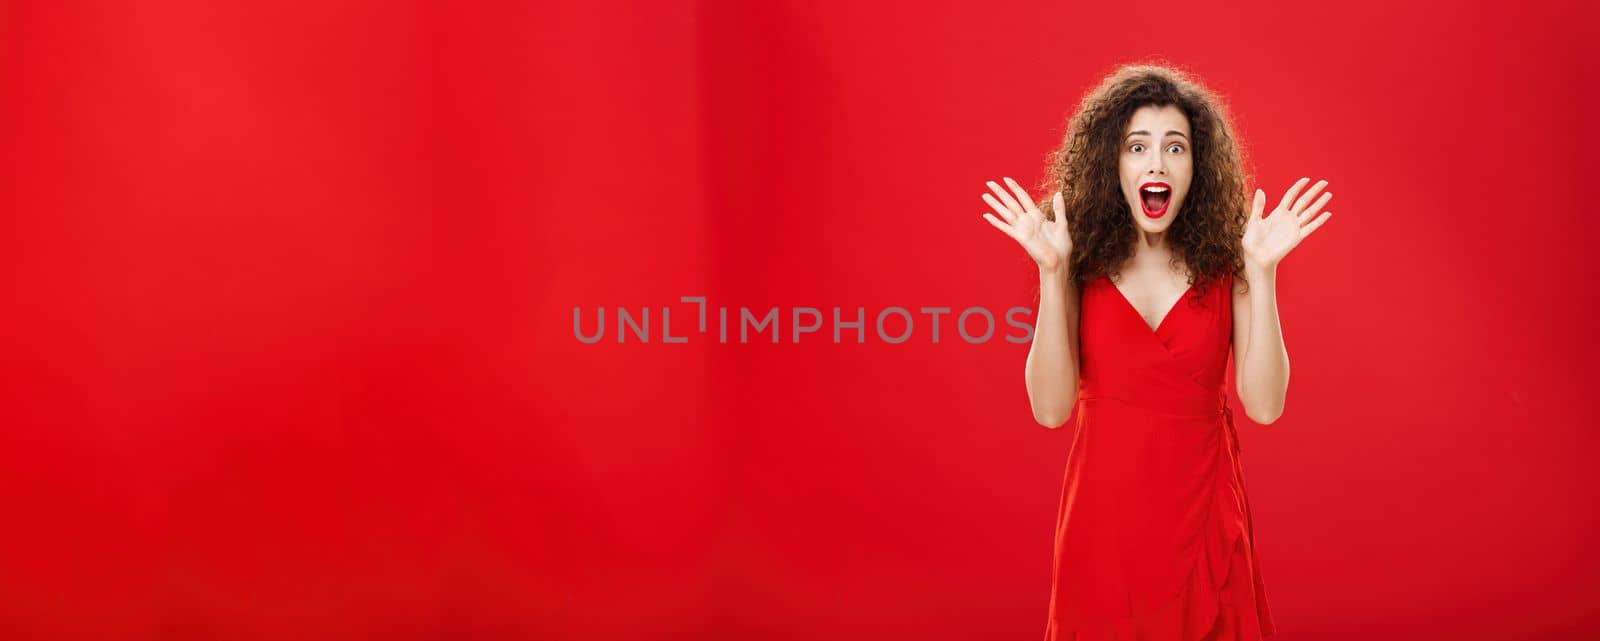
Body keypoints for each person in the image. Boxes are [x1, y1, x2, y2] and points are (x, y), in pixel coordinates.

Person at [980, 63, 1333, 640]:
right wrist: (1052, 272)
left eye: (1176, 148)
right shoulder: (1078, 264)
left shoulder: (1228, 264)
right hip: (1103, 520)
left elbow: (1265, 406)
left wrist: (1262, 274)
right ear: (1111, 163)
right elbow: (1049, 410)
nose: (1156, 164)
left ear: (1197, 167)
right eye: (1136, 146)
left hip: (1203, 515)